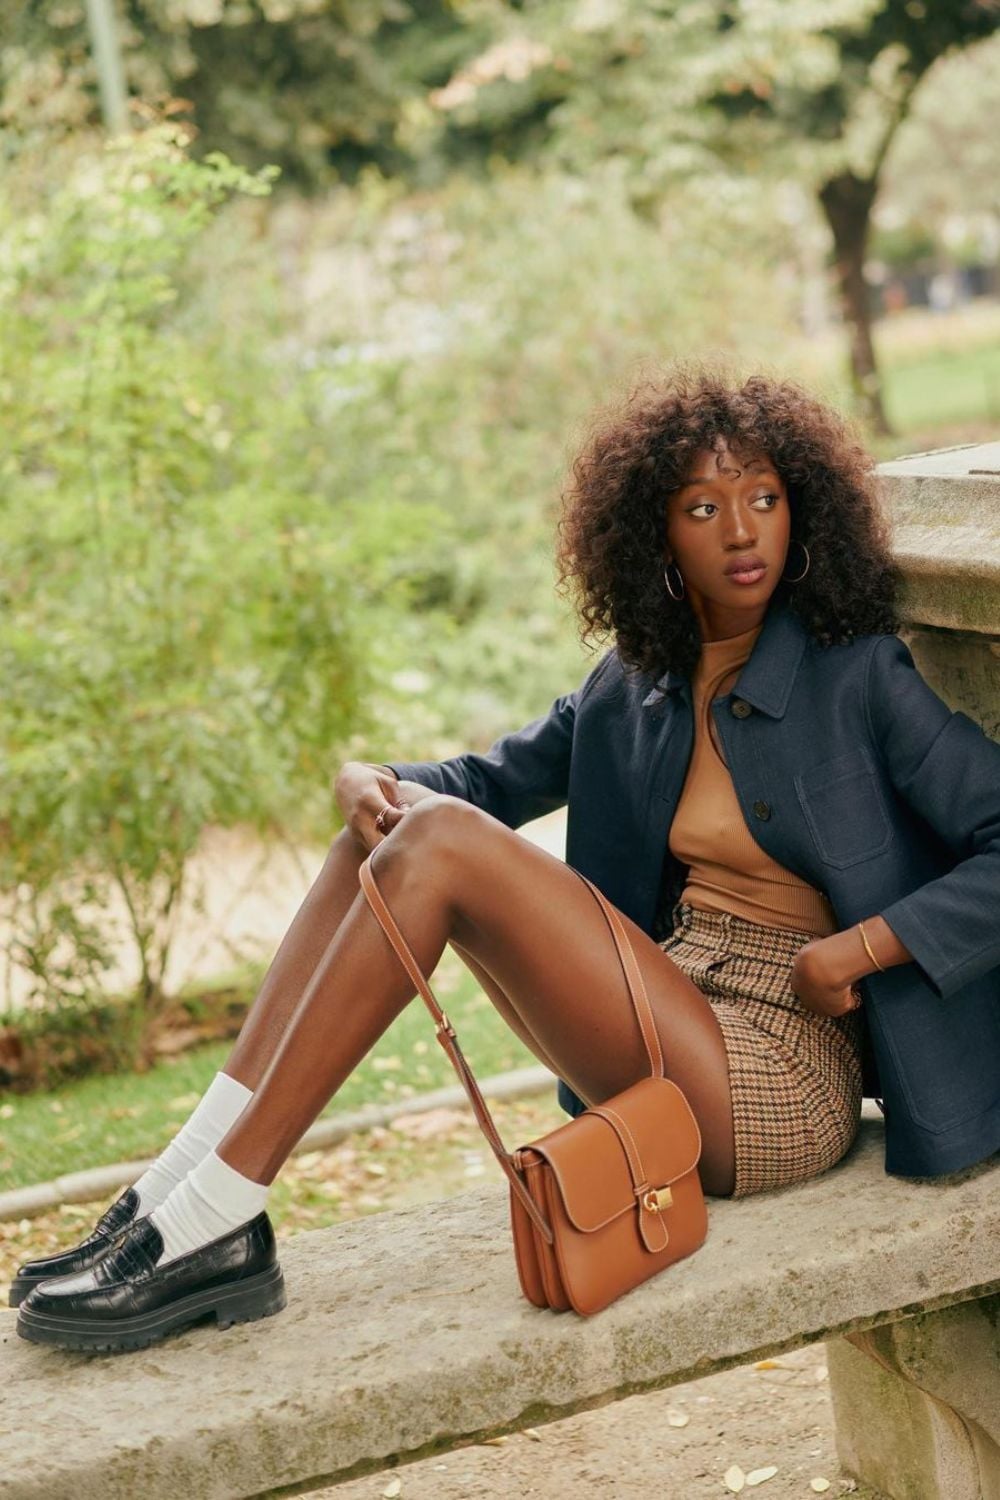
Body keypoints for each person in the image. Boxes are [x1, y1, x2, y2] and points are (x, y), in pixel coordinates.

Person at [13, 363, 1000, 1352]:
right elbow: (481, 784)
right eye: (703, 506)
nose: (741, 532)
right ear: (655, 529)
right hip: (665, 1003)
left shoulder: (856, 677)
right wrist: (372, 777)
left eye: (763, 499)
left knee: (429, 836)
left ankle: (208, 1218)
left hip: (776, 1072)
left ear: (802, 511)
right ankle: (184, 1193)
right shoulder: (630, 688)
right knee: (385, 827)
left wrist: (865, 947)